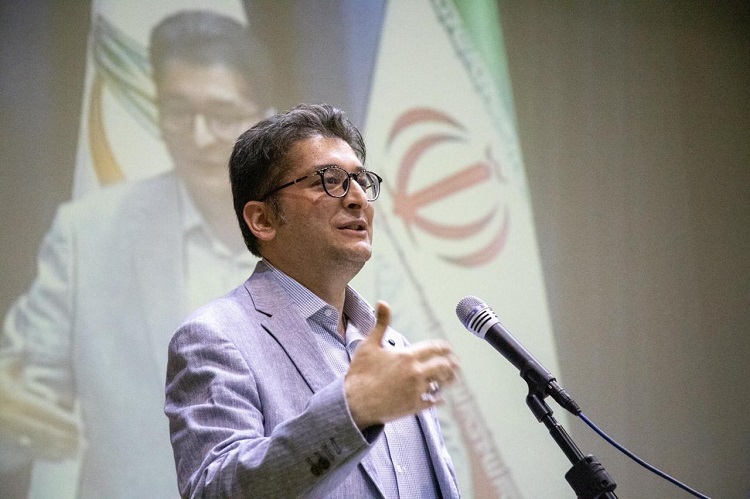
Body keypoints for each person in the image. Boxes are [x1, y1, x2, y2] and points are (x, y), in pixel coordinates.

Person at [0, 10, 270, 498]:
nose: (200, 136)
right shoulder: (88, 236)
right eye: (178, 111)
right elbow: (21, 406)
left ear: (266, 120)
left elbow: (403, 406)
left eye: (223, 114)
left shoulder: (336, 229)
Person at [165, 103, 462, 498]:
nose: (357, 199)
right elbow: (215, 491)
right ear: (263, 220)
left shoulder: (394, 350)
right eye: (329, 180)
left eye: (360, 180)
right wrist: (353, 410)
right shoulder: (215, 337)